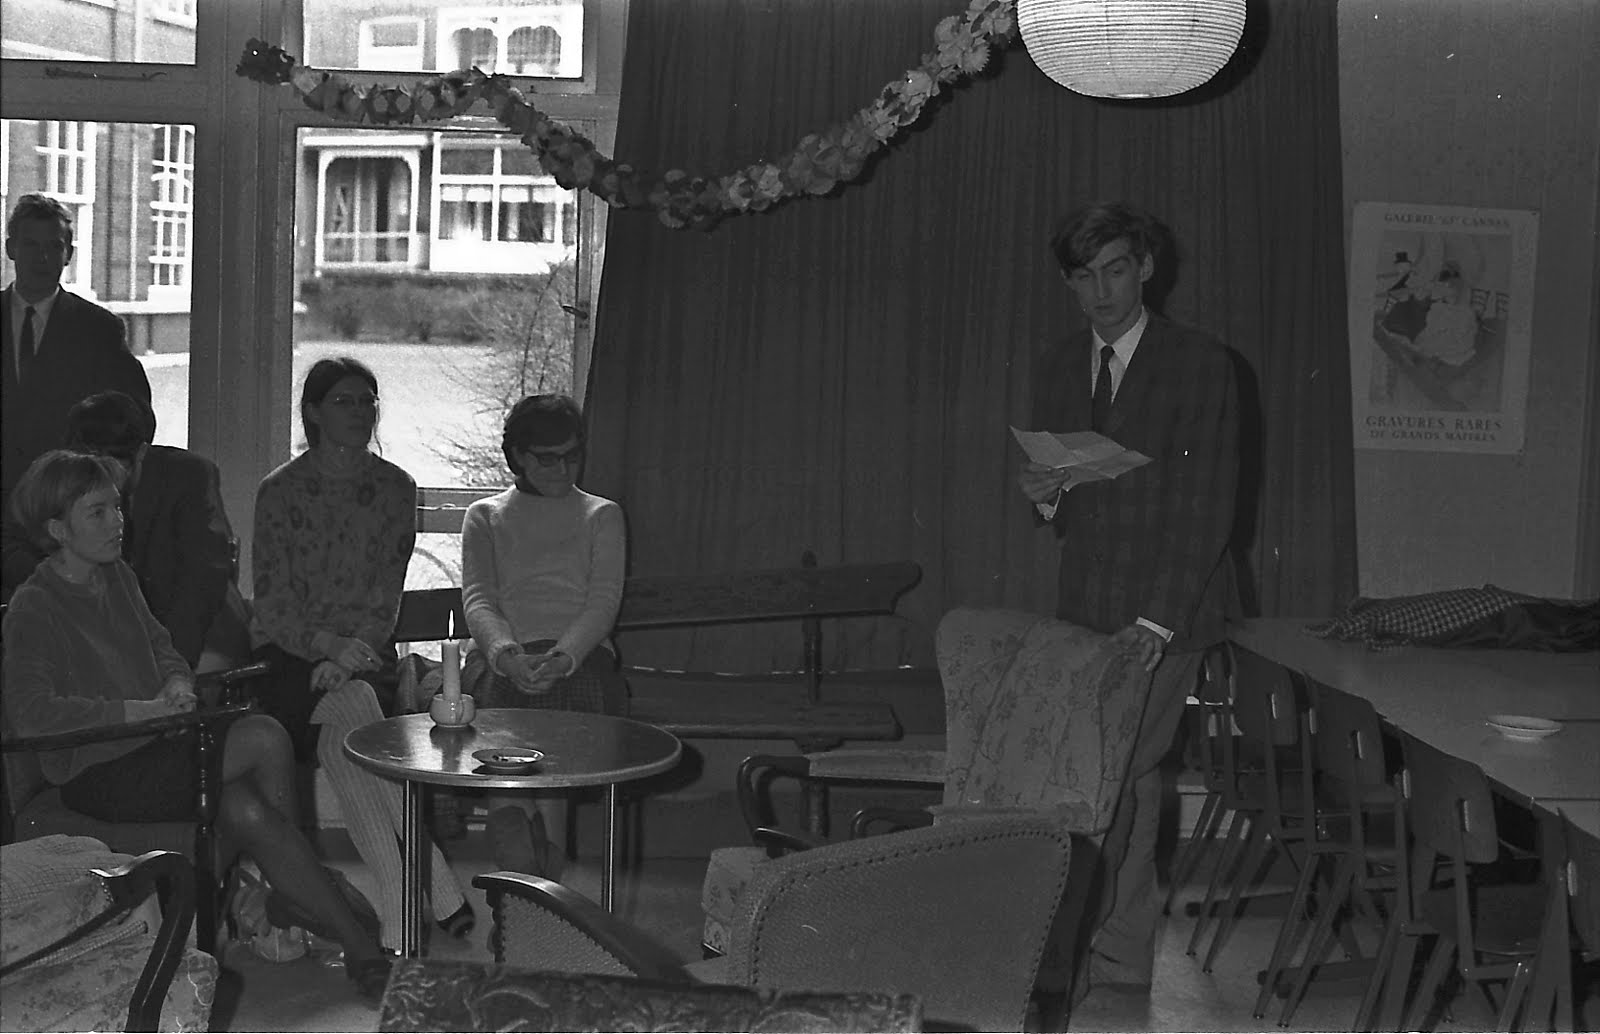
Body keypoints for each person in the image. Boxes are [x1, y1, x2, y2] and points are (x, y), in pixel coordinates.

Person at [0, 449, 391, 999]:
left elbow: (165, 650)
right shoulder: (35, 606)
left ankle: (356, 948)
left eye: (117, 507)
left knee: (245, 808)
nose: (118, 522)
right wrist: (140, 711)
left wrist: (178, 684)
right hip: (99, 771)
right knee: (264, 736)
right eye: (98, 512)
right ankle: (299, 893)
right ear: (57, 529)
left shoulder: (118, 578)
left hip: (157, 750)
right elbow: (33, 716)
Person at [1019, 202, 1240, 1002]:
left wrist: (1156, 621)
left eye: (1115, 270)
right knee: (1134, 779)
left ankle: (1065, 962)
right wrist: (1045, 494)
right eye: (1084, 277)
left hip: (1167, 610)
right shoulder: (1057, 363)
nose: (1101, 292)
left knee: (1106, 775)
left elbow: (1207, 507)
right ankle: (1122, 956)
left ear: (1145, 268)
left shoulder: (1201, 363)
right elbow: (1064, 499)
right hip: (1086, 607)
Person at [249, 356, 472, 951]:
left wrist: (351, 653)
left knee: (348, 728)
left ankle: (403, 911)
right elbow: (272, 603)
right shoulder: (279, 490)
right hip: (288, 658)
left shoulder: (395, 488)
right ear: (314, 412)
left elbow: (385, 595)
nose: (359, 412)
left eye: (367, 401)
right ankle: (432, 888)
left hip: (365, 655)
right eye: (343, 401)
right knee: (355, 718)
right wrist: (326, 647)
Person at [460, 394, 628, 877]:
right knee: (501, 702)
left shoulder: (603, 514)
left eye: (571, 456)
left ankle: (539, 870)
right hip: (503, 656)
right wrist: (505, 653)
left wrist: (563, 656)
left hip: (579, 656)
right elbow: (479, 600)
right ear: (518, 456)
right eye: (547, 458)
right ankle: (518, 844)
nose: (562, 468)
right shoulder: (485, 515)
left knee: (561, 711)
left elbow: (602, 603)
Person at [0, 390, 250, 668]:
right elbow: (12, 540)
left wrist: (167, 664)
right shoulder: (58, 478)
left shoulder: (189, 475)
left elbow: (202, 577)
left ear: (141, 453)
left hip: (197, 631)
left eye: (112, 466)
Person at [1, 194, 151, 513]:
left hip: (67, 507)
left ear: (68, 254)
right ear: (11, 248)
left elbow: (136, 416)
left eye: (54, 247)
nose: (42, 257)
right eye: (31, 245)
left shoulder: (99, 330)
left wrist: (103, 479)